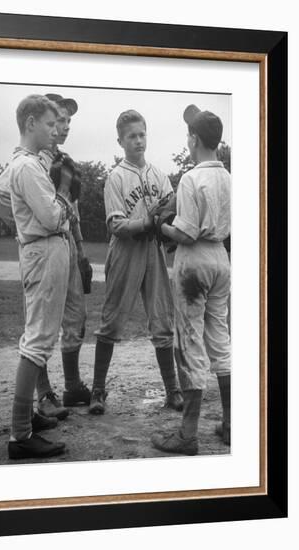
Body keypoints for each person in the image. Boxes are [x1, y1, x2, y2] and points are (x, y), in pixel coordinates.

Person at [88, 110, 183, 415]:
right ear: (120, 141)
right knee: (112, 320)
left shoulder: (158, 174)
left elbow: (171, 210)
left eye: (142, 134)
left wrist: (163, 219)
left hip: (152, 251)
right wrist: (149, 219)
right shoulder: (115, 177)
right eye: (132, 136)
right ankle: (98, 391)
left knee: (163, 319)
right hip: (125, 251)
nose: (138, 140)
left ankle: (172, 391)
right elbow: (116, 225)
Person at [151, 104, 231, 456]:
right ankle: (230, 424)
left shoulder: (191, 177)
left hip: (194, 261)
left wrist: (160, 225)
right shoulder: (229, 177)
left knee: (190, 343)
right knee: (220, 339)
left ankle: (187, 434)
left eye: (188, 134)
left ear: (194, 139)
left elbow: (184, 233)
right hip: (220, 258)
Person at [5, 94, 75, 459]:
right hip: (44, 247)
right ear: (30, 123)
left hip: (45, 248)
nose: (54, 130)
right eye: (49, 124)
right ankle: (20, 436)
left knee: (37, 335)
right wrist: (63, 191)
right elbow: (51, 218)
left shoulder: (28, 163)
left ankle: (26, 419)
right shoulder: (29, 167)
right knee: (38, 340)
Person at [34, 93, 91, 420]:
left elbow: (74, 210)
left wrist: (81, 248)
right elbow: (1, 195)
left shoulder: (66, 163)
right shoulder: (32, 160)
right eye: (58, 120)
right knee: (42, 320)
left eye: (69, 121)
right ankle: (43, 394)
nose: (65, 126)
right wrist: (27, 232)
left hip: (68, 241)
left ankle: (72, 385)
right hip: (44, 242)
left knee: (75, 314)